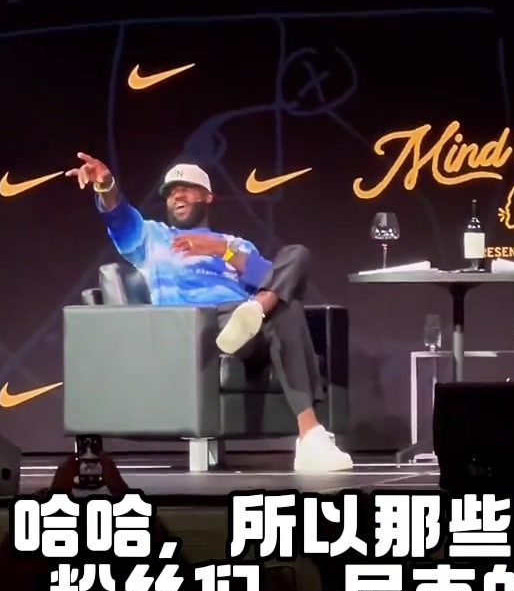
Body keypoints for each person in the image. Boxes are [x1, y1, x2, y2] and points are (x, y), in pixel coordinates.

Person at [68, 152, 352, 474]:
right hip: (199, 327)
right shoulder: (151, 237)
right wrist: (106, 185)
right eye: (171, 192)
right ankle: (310, 435)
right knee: (286, 306)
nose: (177, 195)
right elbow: (118, 217)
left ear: (207, 197)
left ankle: (258, 310)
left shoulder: (235, 244)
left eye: (186, 189)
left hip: (246, 326)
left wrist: (221, 250)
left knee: (296, 259)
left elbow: (272, 278)